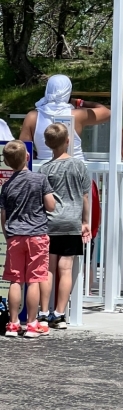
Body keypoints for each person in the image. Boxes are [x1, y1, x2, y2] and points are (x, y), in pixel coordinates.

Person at [38, 123, 92, 330]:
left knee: (47, 270)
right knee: (66, 269)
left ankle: (44, 312)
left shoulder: (45, 169)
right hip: (71, 222)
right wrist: (85, 221)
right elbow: (85, 196)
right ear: (68, 141)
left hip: (50, 223)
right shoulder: (79, 166)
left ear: (47, 144)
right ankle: (60, 314)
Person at [0, 140, 56, 338]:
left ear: (7, 162)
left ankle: (13, 324)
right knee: (34, 281)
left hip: (15, 236)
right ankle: (32, 324)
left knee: (15, 280)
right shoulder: (40, 180)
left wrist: (8, 235)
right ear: (27, 157)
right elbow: (51, 206)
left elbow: (3, 216)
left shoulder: (6, 186)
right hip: (37, 235)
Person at [19, 74, 111, 160]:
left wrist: (39, 154)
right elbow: (108, 113)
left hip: (45, 167)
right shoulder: (78, 115)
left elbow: (24, 150)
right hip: (75, 166)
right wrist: (80, 103)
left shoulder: (32, 117)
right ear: (68, 92)